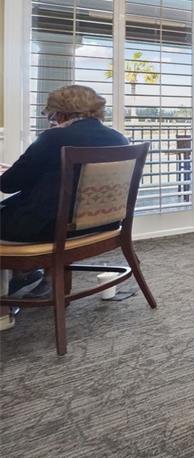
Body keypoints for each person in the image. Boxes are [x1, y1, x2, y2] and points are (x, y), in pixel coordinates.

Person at [1, 85, 128, 310]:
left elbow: (8, 184)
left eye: (51, 114)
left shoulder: (53, 138)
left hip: (49, 228)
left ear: (61, 113)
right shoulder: (119, 139)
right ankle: (30, 273)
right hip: (102, 225)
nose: (51, 119)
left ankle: (19, 276)